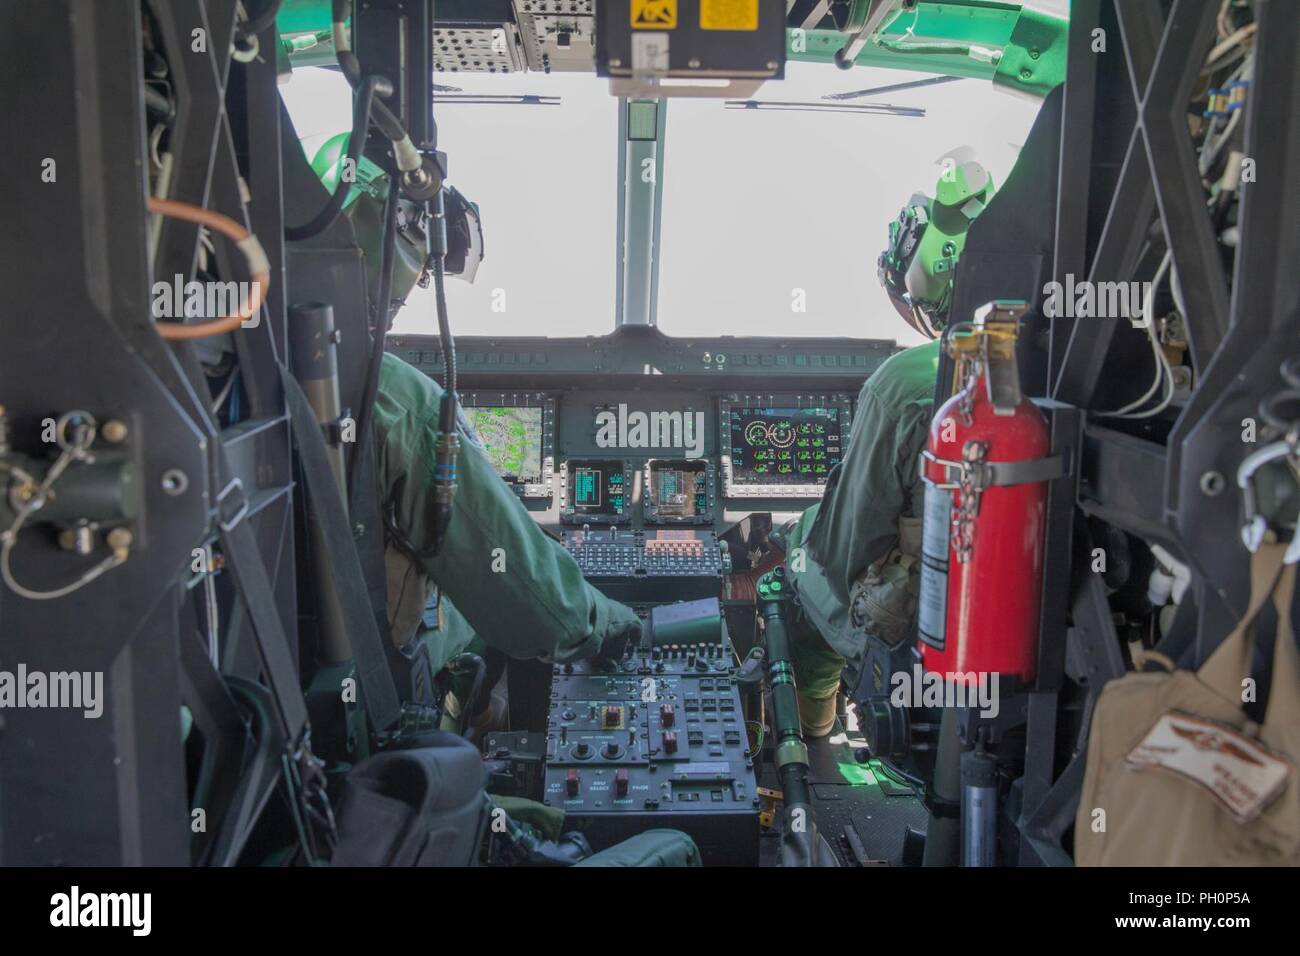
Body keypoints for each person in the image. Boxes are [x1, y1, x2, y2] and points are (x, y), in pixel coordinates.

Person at [784, 152, 997, 736]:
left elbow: (846, 549)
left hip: (923, 649)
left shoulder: (907, 383)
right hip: (1019, 649)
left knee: (801, 563)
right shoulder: (1069, 370)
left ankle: (814, 733)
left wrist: (795, 533)